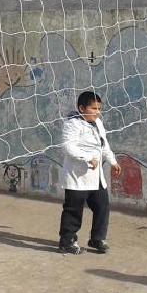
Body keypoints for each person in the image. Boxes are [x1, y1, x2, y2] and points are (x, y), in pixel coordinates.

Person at [57, 91, 121, 255]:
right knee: (74, 210)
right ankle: (67, 241)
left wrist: (113, 161)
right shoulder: (72, 124)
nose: (97, 112)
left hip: (96, 176)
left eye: (99, 108)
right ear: (81, 108)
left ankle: (97, 239)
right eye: (93, 108)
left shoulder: (98, 122)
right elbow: (67, 147)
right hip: (77, 176)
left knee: (102, 206)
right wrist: (87, 158)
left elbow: (103, 144)